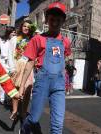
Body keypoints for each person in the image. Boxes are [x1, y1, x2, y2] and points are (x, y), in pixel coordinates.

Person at [19, 2, 71, 134]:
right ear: (47, 20)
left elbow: (63, 60)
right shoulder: (37, 39)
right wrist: (22, 86)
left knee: (57, 125)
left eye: (58, 19)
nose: (55, 22)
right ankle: (24, 129)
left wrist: (66, 81)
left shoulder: (66, 42)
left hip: (59, 84)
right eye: (52, 19)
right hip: (42, 82)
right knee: (34, 119)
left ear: (63, 21)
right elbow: (30, 63)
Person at [8, 20, 35, 120]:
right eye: (24, 26)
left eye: (28, 27)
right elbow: (10, 54)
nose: (26, 28)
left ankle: (23, 111)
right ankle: (15, 110)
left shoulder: (33, 40)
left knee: (28, 89)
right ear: (21, 27)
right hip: (17, 65)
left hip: (28, 66)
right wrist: (12, 68)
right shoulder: (15, 39)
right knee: (15, 89)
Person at [0, 26, 16, 104]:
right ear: (8, 32)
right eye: (12, 32)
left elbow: (11, 54)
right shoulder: (1, 39)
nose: (14, 34)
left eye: (15, 32)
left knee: (5, 81)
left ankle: (2, 98)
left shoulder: (12, 41)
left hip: (7, 62)